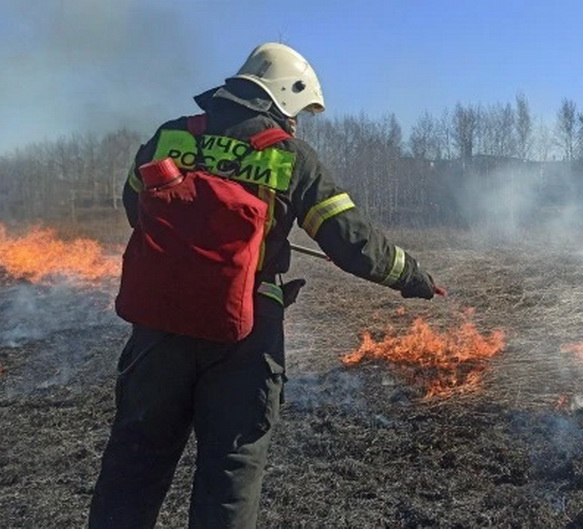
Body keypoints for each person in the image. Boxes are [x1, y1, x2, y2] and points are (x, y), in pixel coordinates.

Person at [88, 42, 438, 529]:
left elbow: (136, 209)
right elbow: (351, 243)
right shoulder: (290, 157)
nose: (298, 122)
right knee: (231, 470)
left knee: (133, 463)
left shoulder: (169, 138)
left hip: (158, 329)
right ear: (286, 95)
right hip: (244, 335)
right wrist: (411, 275)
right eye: (299, 111)